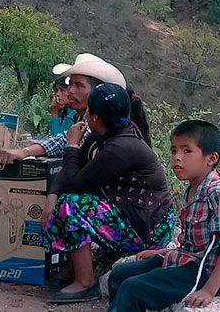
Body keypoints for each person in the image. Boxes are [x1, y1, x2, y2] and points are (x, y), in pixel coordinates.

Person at [0, 54, 132, 271]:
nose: (70, 90)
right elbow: (60, 141)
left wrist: (35, 161)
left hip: (111, 213)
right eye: (70, 84)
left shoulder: (97, 125)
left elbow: (69, 150)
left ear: (98, 91)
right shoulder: (84, 119)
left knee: (33, 204)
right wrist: (24, 152)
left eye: (77, 85)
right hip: (101, 205)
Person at [42, 83, 174, 304]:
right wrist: (51, 196)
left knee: (72, 205)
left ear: (94, 117)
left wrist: (71, 146)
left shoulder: (121, 147)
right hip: (135, 217)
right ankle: (72, 269)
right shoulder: (105, 136)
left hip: (148, 230)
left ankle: (85, 282)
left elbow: (75, 183)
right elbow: (71, 173)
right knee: (67, 201)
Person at [108, 120, 220, 311]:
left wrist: (208, 291)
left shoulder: (219, 193)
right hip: (186, 260)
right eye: (174, 151)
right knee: (120, 275)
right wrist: (161, 253)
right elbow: (191, 246)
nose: (177, 158)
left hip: (203, 272)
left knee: (133, 288)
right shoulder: (193, 189)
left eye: (186, 151)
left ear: (211, 159)